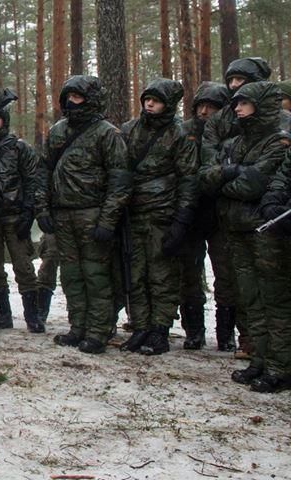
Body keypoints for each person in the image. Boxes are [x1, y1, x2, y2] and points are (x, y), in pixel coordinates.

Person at [199, 81, 290, 388]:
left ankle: (281, 366)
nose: (236, 108)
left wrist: (227, 176)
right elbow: (205, 178)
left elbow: (255, 183)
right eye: (236, 103)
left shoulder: (278, 143)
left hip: (264, 232)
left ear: (261, 106)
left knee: (274, 300)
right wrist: (231, 174)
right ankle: (261, 360)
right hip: (235, 229)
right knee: (250, 298)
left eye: (244, 103)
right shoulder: (234, 144)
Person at [46, 75, 131, 355]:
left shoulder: (108, 133)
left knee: (96, 274)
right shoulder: (57, 131)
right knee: (71, 275)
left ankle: (99, 330)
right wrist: (41, 209)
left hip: (92, 213)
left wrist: (107, 221)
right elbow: (41, 172)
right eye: (68, 97)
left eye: (78, 97)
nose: (72, 102)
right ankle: (78, 326)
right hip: (62, 215)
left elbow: (119, 181)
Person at [117, 78, 198, 355]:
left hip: (163, 215)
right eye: (146, 99)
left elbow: (188, 178)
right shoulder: (129, 130)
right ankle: (140, 327)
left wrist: (182, 219)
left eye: (156, 100)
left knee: (162, 276)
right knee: (135, 275)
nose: (149, 104)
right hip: (133, 214)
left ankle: (160, 330)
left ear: (169, 104)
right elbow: (119, 170)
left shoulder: (180, 135)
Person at [201, 57, 273, 357]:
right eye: (230, 80)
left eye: (241, 79)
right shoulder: (220, 120)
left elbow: (266, 174)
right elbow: (209, 167)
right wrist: (230, 176)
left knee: (271, 285)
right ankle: (247, 340)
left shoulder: (278, 122)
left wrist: (232, 175)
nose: (233, 85)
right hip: (226, 214)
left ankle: (271, 348)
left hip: (269, 216)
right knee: (233, 279)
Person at [177, 81, 235, 351]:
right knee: (189, 273)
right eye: (200, 105)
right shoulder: (183, 132)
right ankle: (194, 331)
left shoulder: (233, 132)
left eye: (211, 107)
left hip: (222, 212)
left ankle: (226, 334)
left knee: (226, 274)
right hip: (190, 212)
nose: (204, 111)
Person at [0, 91, 44, 333]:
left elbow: (33, 179)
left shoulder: (19, 148)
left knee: (24, 267)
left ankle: (33, 316)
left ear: (4, 121)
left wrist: (29, 211)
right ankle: (4, 314)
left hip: (14, 215)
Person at [255, 123, 291, 393]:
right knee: (277, 303)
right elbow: (282, 175)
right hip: (282, 232)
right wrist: (273, 199)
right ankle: (279, 367)